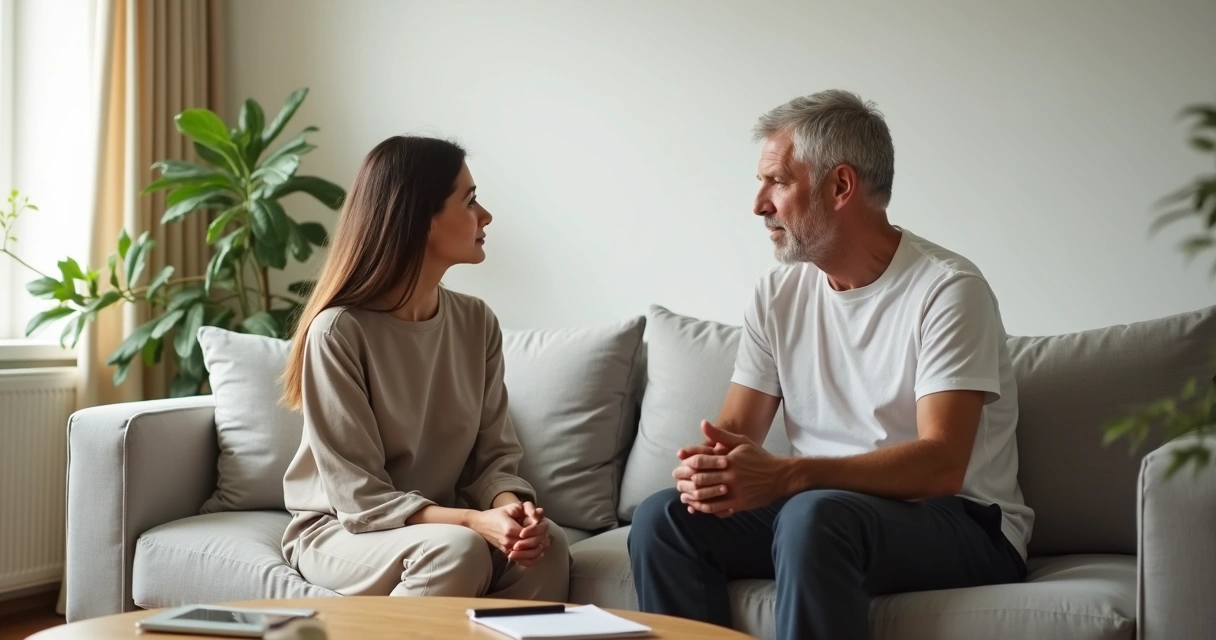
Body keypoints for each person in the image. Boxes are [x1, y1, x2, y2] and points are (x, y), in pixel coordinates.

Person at [627, 90, 1034, 639]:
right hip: (822, 512)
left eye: (778, 181)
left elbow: (942, 465)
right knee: (664, 520)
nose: (758, 205)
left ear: (840, 186)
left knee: (812, 516)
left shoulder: (947, 289)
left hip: (961, 522)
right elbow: (733, 431)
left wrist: (791, 475)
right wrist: (708, 471)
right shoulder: (778, 293)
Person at [279, 135, 569, 600]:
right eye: (470, 200)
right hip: (342, 531)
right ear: (420, 219)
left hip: (438, 525)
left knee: (546, 550)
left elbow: (493, 459)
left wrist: (512, 516)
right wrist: (475, 522)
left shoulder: (476, 321)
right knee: (457, 551)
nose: (486, 216)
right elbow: (360, 498)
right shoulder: (338, 332)